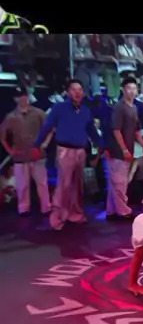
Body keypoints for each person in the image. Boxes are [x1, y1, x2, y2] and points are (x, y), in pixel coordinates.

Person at [34, 79, 103, 230]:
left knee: (78, 186)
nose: (77, 93)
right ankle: (57, 218)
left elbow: (91, 130)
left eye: (80, 90)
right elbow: (47, 126)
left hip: (80, 151)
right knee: (63, 185)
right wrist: (37, 144)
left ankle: (75, 215)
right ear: (67, 92)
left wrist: (103, 145)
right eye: (74, 89)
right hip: (64, 151)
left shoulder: (85, 110)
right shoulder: (59, 108)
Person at [0, 85, 52, 215]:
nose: (22, 99)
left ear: (27, 96)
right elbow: (2, 136)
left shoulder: (38, 113)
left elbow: (50, 129)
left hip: (38, 155)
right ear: (15, 99)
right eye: (18, 96)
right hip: (20, 156)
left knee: (42, 183)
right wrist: (10, 151)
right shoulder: (10, 117)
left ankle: (46, 207)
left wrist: (45, 143)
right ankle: (23, 209)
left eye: (23, 95)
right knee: (22, 185)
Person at [106, 77, 143, 220]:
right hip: (117, 151)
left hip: (126, 149)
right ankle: (123, 211)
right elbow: (116, 130)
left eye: (134, 88)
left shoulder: (134, 108)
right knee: (120, 182)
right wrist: (124, 149)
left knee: (116, 182)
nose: (132, 91)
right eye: (129, 88)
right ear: (123, 90)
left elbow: (137, 131)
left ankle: (112, 211)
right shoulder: (119, 107)